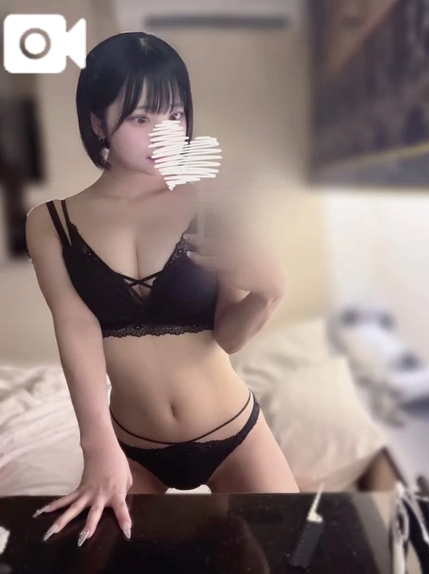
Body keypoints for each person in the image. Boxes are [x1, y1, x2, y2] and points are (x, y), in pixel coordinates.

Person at [26, 31, 299, 548]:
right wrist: (97, 446)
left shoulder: (212, 204)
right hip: (132, 447)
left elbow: (228, 336)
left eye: (175, 115)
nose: (165, 135)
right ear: (97, 123)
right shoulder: (50, 223)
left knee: (293, 556)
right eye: (141, 118)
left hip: (233, 434)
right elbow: (76, 327)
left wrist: (270, 294)